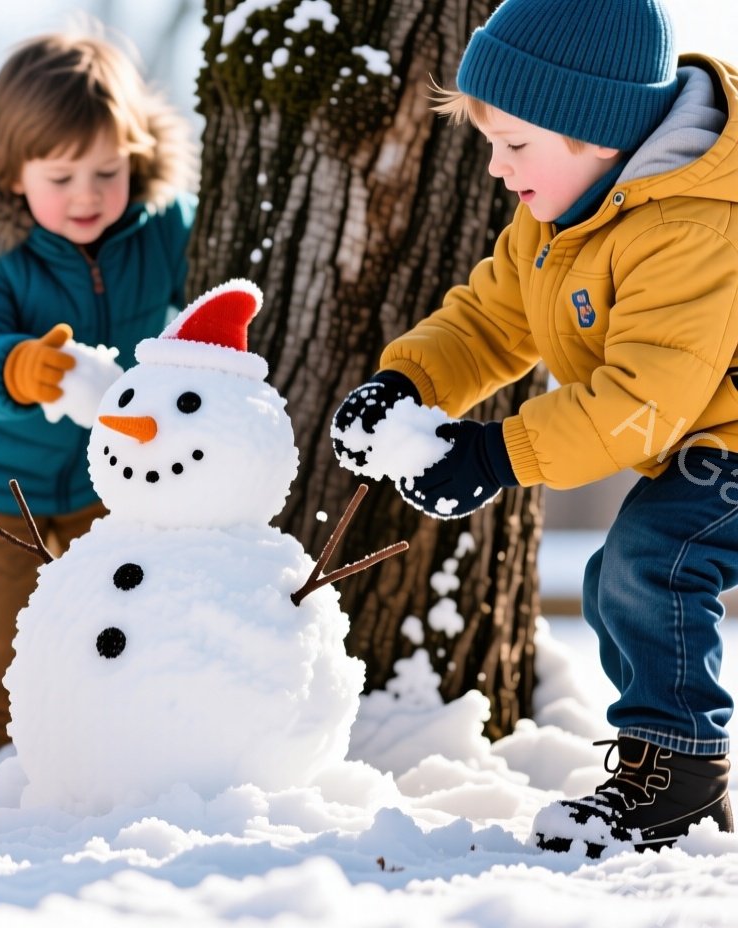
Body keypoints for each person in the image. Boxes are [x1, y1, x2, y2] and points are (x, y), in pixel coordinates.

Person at [331, 0, 737, 853]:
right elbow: (489, 320)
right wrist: (407, 382)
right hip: (710, 436)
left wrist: (495, 452)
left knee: (651, 564)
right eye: (489, 141)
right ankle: (659, 765)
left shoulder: (692, 224)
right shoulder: (561, 216)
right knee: (618, 581)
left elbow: (640, 399)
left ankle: (682, 777)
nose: (493, 167)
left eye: (514, 144)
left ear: (596, 131)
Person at [0, 32, 196, 774]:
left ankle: (112, 729)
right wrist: (19, 367)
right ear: (12, 174)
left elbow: (197, 305)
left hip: (116, 474)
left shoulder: (163, 227)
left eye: (108, 171)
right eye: (61, 176)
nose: (88, 196)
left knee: (118, 606)